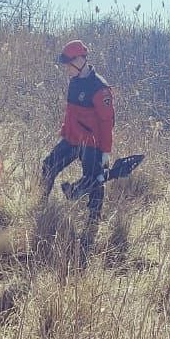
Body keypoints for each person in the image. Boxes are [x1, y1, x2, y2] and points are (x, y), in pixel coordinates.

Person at [40, 39, 115, 262]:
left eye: (69, 64)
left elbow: (107, 123)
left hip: (92, 143)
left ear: (80, 60)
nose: (66, 69)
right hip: (72, 140)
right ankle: (40, 205)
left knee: (94, 182)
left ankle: (92, 224)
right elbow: (70, 113)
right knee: (47, 166)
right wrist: (64, 131)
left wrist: (105, 152)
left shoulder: (100, 88)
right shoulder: (74, 82)